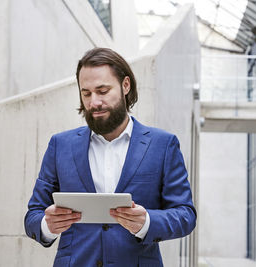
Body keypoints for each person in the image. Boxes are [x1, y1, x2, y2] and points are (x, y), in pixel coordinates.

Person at [24, 47, 197, 267]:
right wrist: (47, 225)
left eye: (103, 91)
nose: (94, 102)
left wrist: (147, 222)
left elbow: (185, 215)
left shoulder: (162, 145)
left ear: (126, 86)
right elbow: (33, 216)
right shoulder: (60, 145)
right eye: (86, 93)